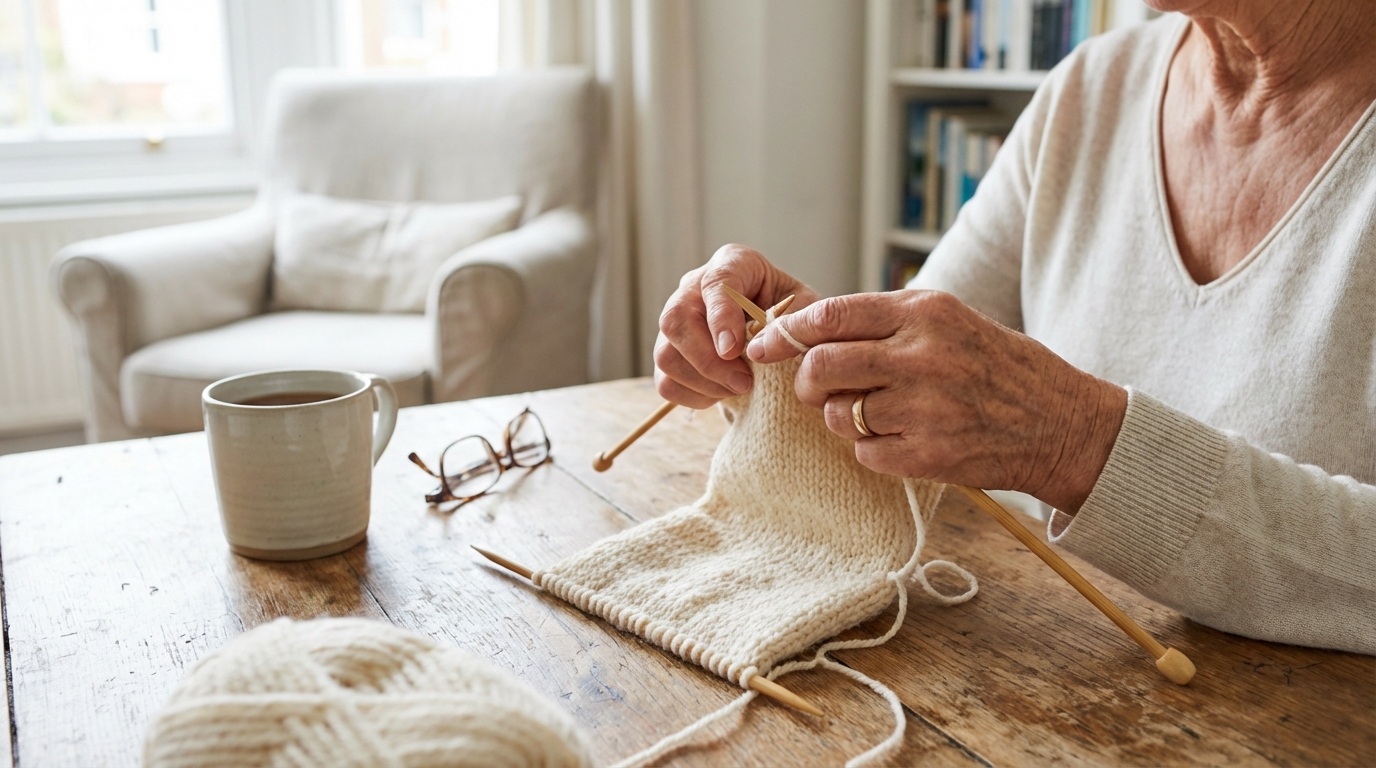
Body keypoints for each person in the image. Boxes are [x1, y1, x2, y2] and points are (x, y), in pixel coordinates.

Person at [652, 1, 1376, 655]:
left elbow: (1033, 418)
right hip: (1041, 662)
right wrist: (796, 350)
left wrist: (1076, 444)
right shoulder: (1092, 87)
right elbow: (923, 377)